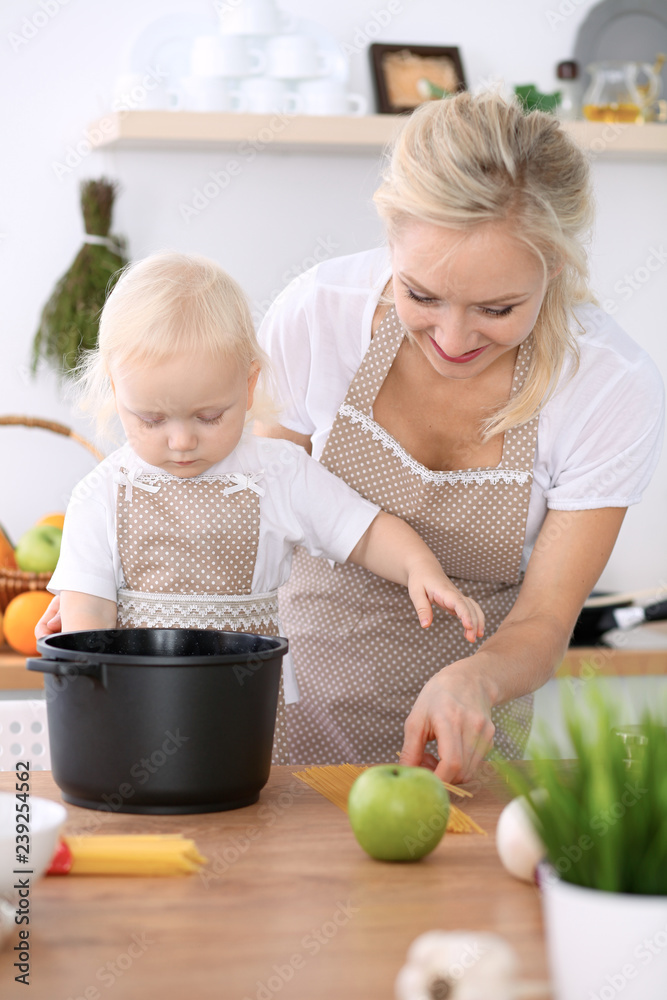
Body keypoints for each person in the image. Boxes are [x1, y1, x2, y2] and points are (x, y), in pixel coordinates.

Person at [254, 90, 665, 781]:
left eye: (497, 309)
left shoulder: (607, 385)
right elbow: (255, 520)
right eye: (420, 295)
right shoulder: (317, 315)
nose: (451, 338)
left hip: (469, 743)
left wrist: (474, 680)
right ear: (389, 238)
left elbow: (541, 621)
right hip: (287, 709)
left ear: (554, 266)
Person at [46, 250, 485, 764]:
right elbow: (87, 625)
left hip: (243, 707)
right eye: (151, 418)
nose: (182, 439)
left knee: (244, 804)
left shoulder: (276, 474)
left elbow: (362, 530)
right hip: (137, 708)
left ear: (248, 384)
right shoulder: (101, 495)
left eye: (210, 415)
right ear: (116, 390)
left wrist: (418, 565)